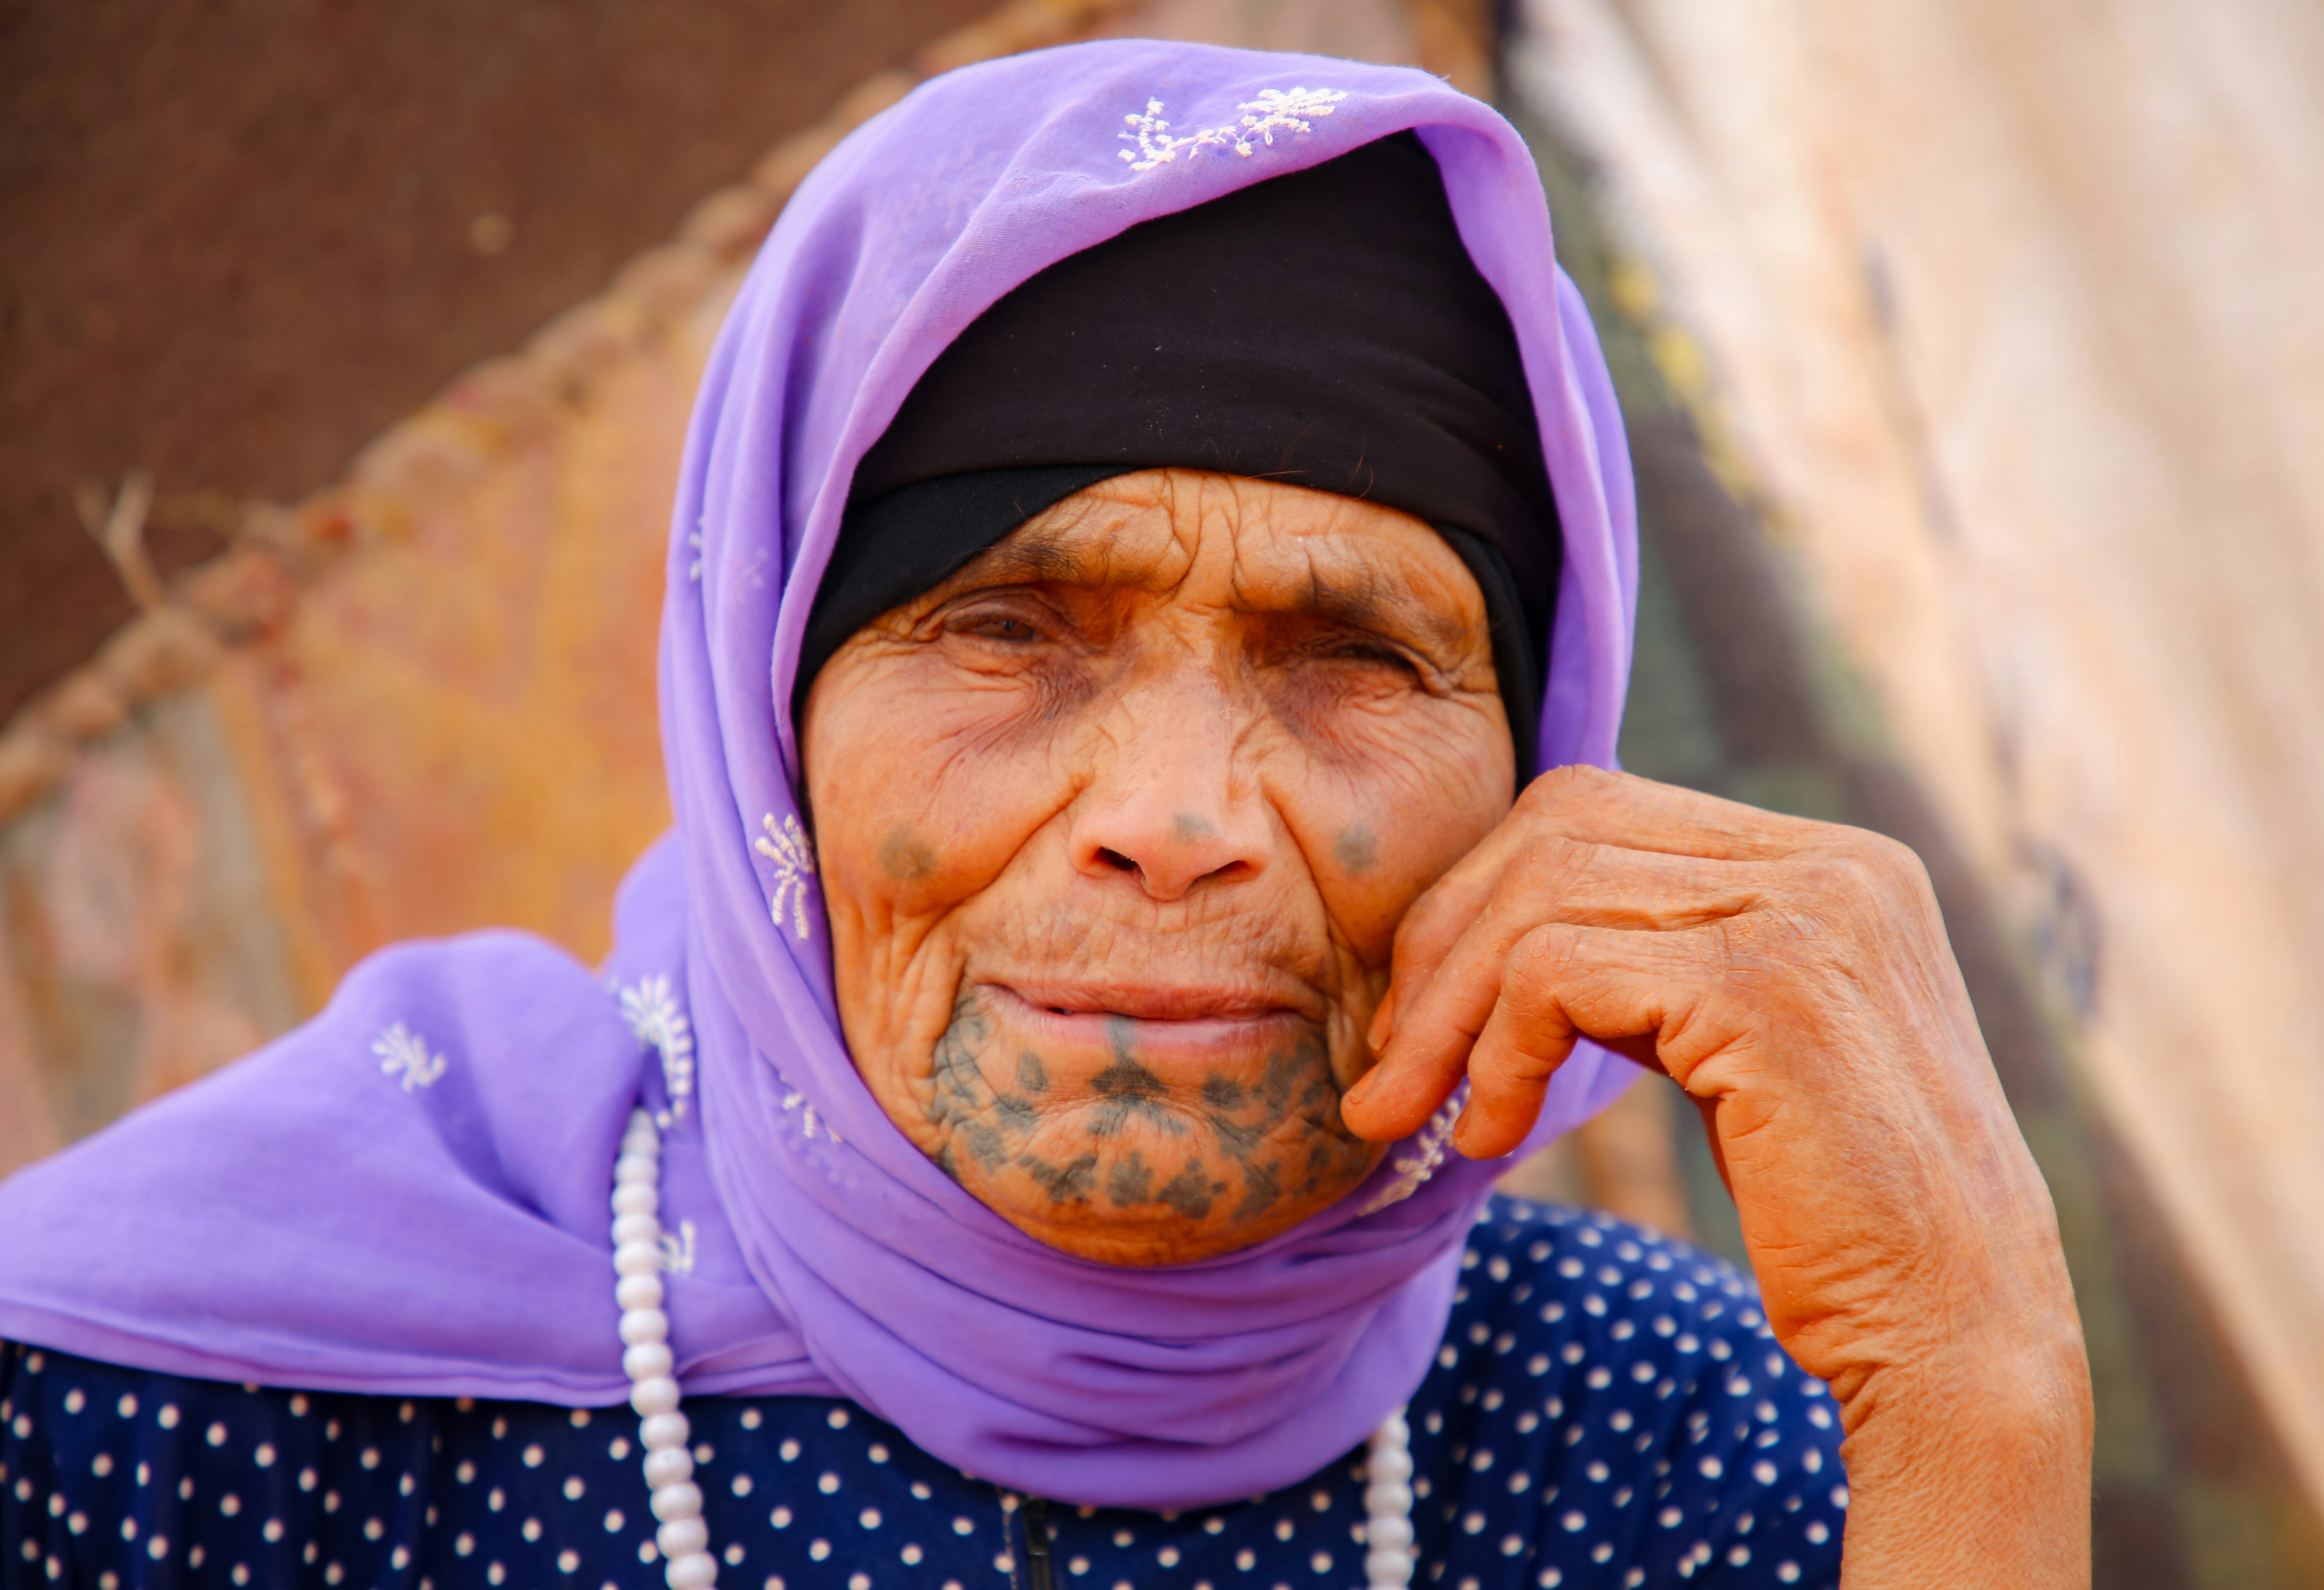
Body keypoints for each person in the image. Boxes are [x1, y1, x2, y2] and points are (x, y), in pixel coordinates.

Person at [0, 39, 2088, 1590]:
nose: (1173, 824)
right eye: (1009, 629)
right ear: (766, 736)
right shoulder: (156, 1425)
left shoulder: (1722, 1452)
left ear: (1542, 765)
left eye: (1353, 657)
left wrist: (1979, 1382)